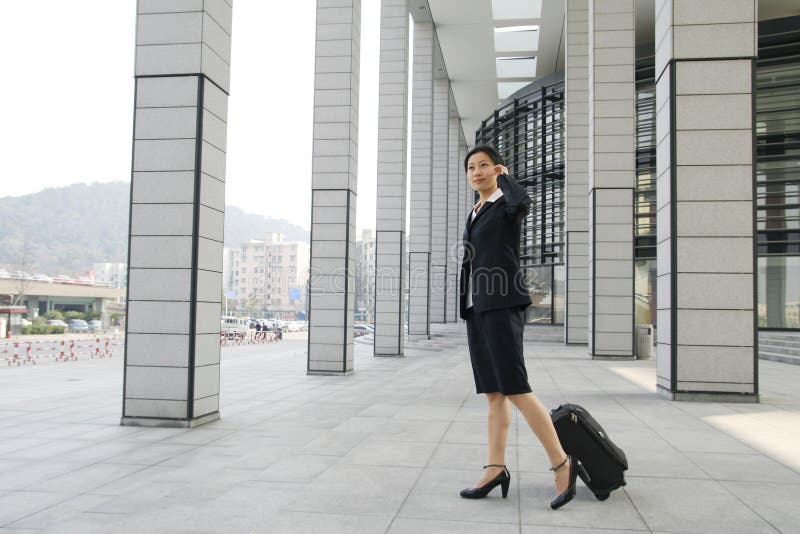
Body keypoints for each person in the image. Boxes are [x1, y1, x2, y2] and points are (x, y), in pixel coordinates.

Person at [458, 145, 585, 509]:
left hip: (502, 305)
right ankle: (495, 468)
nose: (477, 172)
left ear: (496, 170)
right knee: (494, 394)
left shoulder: (507, 205)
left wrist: (507, 177)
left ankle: (562, 464)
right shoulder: (476, 210)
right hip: (478, 308)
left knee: (515, 388)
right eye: (471, 167)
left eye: (484, 166)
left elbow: (523, 201)